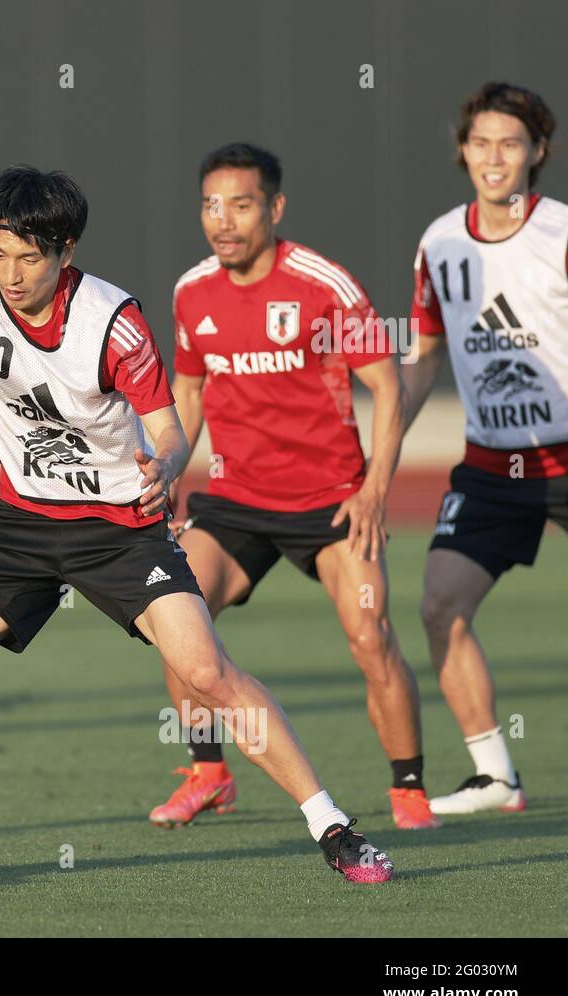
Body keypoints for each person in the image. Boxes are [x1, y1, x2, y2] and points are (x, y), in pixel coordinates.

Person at [0, 164, 395, 884]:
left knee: (206, 671)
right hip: (18, 525)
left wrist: (165, 460)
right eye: (0, 252)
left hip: (119, 528)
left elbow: (170, 426)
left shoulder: (111, 320)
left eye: (29, 256)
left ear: (65, 251)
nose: (10, 272)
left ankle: (334, 827)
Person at [151, 143, 436, 830]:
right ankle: (209, 774)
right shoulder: (192, 291)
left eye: (241, 205)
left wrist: (372, 491)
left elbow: (387, 387)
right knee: (173, 611)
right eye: (211, 205)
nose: (223, 221)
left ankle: (408, 791)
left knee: (371, 635)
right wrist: (167, 469)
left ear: (274, 208)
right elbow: (187, 397)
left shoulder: (322, 285)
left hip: (330, 499)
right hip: (235, 499)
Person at [402, 82, 565, 815]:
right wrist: (378, 456)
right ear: (462, 151)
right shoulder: (439, 240)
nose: (493, 157)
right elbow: (425, 355)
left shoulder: (560, 233)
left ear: (537, 152)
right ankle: (495, 775)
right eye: (480, 142)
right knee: (441, 605)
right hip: (493, 467)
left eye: (510, 143)